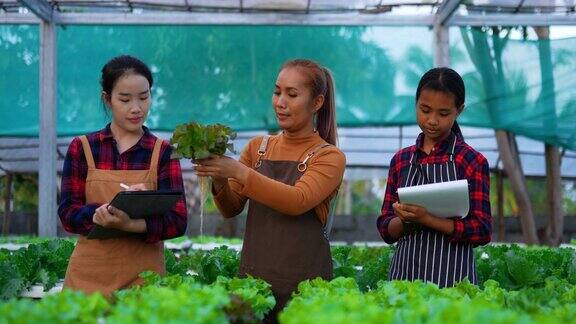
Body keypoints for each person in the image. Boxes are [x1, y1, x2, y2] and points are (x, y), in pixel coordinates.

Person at [195, 59, 345, 321]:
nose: (280, 102)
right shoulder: (257, 147)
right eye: (277, 92)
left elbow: (297, 200)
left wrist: (239, 172)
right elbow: (230, 209)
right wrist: (218, 176)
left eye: (292, 94)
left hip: (305, 290)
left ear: (317, 103)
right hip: (255, 284)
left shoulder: (329, 156)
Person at [58, 55, 187, 296]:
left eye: (144, 97)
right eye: (125, 99)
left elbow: (178, 220)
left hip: (144, 281)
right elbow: (67, 213)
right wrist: (102, 213)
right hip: (88, 279)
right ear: (107, 99)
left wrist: (132, 223)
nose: (136, 108)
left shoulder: (163, 152)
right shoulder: (83, 148)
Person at [377, 67, 491, 288]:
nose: (432, 120)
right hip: (404, 279)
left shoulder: (471, 161)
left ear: (459, 110)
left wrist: (427, 219)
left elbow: (482, 230)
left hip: (453, 282)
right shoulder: (401, 160)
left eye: (443, 113)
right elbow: (384, 227)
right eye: (425, 110)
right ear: (416, 102)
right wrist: (403, 220)